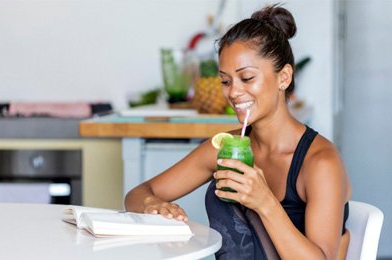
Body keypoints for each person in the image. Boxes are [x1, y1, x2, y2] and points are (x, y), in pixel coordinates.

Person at [125, 4, 351, 259]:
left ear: (284, 77)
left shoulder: (320, 163)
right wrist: (152, 205)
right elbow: (137, 194)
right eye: (225, 80)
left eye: (247, 78)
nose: (233, 92)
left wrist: (264, 202)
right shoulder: (225, 147)